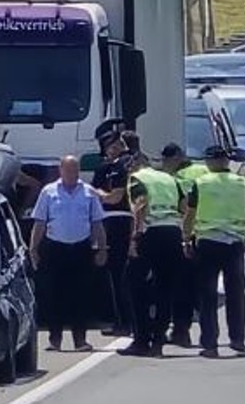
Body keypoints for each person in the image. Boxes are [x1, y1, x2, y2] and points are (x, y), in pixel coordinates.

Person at [183, 145, 245, 358]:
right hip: (234, 243)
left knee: (207, 295)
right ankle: (238, 339)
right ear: (226, 161)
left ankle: (210, 344)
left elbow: (190, 214)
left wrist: (186, 239)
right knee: (236, 292)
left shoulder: (201, 183)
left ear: (209, 162)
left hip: (208, 241)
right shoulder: (241, 182)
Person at [29, 155, 109, 352]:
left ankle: (80, 340)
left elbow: (97, 223)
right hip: (55, 248)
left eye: (75, 170)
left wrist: (102, 248)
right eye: (68, 170)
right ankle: (54, 339)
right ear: (61, 170)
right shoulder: (48, 192)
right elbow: (40, 222)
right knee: (54, 294)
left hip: (81, 248)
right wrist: (33, 248)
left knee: (81, 295)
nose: (72, 174)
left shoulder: (89, 192)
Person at [120, 154, 186, 357]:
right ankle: (158, 340)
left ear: (134, 165)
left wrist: (135, 237)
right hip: (172, 232)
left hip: (150, 232)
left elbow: (140, 204)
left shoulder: (137, 178)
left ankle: (141, 339)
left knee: (132, 283)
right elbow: (184, 206)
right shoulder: (169, 178)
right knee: (165, 288)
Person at [160, 143, 207, 347]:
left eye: (166, 160)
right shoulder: (203, 171)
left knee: (182, 288)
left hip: (187, 235)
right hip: (207, 234)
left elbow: (183, 207)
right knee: (203, 288)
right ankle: (209, 334)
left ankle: (181, 332)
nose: (164, 165)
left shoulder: (174, 179)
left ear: (176, 158)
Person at [91, 127, 136, 336]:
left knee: (118, 274)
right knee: (117, 275)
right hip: (119, 221)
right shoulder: (111, 166)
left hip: (119, 221)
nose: (109, 151)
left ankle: (124, 322)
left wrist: (97, 193)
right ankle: (124, 320)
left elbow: (115, 197)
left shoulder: (121, 166)